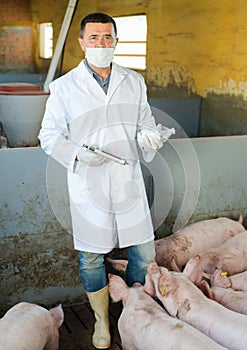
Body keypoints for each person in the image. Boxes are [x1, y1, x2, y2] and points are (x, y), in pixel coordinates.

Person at [38, 12, 165, 349]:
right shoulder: (64, 87)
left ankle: (131, 313)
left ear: (116, 41)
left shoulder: (134, 81)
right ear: (82, 43)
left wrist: (150, 137)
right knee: (92, 256)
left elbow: (144, 124)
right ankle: (100, 320)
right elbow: (48, 136)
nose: (101, 43)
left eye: (107, 37)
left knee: (142, 252)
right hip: (89, 183)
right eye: (93, 38)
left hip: (127, 179)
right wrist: (78, 154)